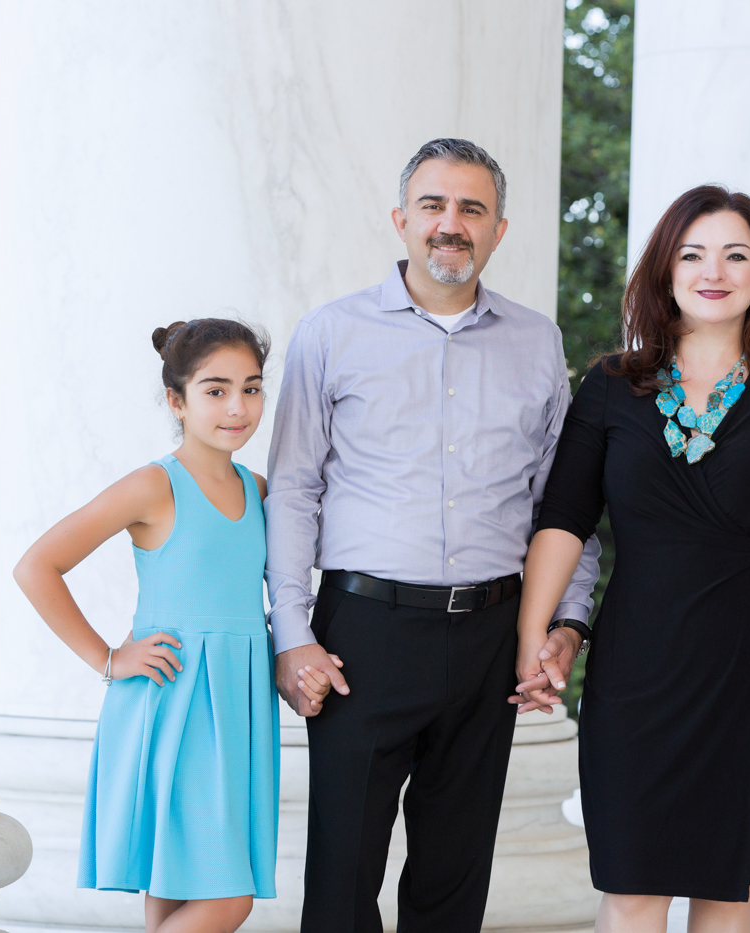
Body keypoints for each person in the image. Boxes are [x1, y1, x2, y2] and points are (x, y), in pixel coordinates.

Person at [265, 138, 601, 933]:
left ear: (498, 230)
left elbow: (561, 501)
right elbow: (292, 489)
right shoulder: (331, 334)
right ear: (401, 219)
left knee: (455, 877)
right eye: (434, 205)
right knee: (343, 876)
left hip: (489, 634)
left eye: (471, 209)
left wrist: (566, 621)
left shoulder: (536, 343)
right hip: (363, 636)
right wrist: (292, 633)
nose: (451, 224)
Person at [514, 185, 750, 933]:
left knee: (729, 891)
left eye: (737, 255)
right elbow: (564, 519)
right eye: (694, 253)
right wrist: (533, 635)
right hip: (637, 662)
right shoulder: (608, 387)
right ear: (665, 270)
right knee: (632, 888)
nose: (715, 270)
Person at [13, 319, 279, 933]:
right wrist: (107, 658)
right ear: (176, 400)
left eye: (252, 387)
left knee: (175, 894)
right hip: (174, 703)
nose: (238, 407)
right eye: (215, 390)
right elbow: (37, 566)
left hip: (235, 708)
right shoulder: (154, 486)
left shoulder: (260, 490)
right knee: (225, 898)